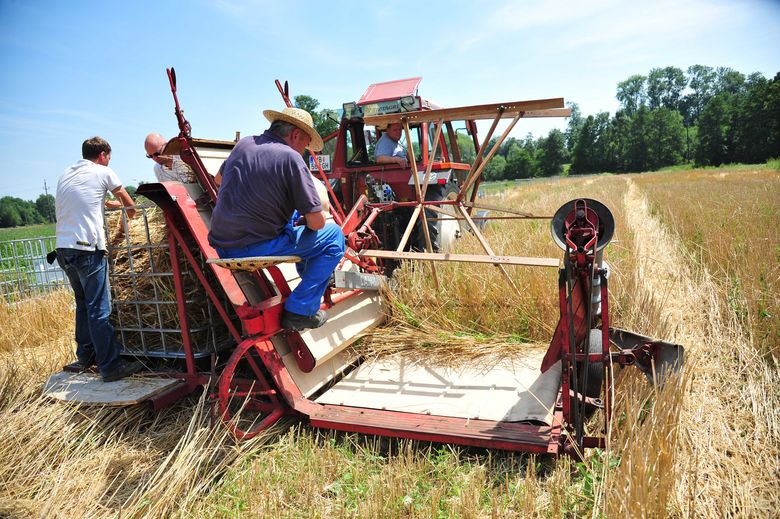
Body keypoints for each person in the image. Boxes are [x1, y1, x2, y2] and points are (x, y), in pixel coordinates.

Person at [208, 107, 345, 331]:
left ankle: (307, 290)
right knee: (333, 237)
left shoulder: (244, 144)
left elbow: (218, 180)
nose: (304, 152)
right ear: (295, 135)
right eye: (306, 145)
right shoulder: (291, 157)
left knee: (292, 218)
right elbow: (317, 223)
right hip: (254, 247)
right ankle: (301, 310)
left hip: (223, 247)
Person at [55, 136, 143, 382]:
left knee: (83, 304)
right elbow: (132, 207)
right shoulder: (103, 172)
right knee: (99, 309)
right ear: (103, 154)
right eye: (109, 157)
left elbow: (85, 202)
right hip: (88, 249)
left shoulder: (66, 173)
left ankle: (85, 357)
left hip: (63, 249)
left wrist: (107, 204)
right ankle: (110, 366)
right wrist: (125, 215)